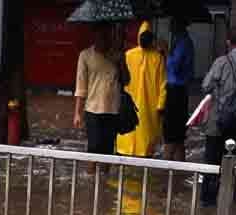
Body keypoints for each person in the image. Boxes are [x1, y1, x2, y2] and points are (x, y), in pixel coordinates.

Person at [117, 22, 167, 158]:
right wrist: (160, 106)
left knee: (135, 139)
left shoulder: (156, 57)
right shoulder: (157, 57)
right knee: (142, 140)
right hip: (143, 107)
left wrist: (160, 106)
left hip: (142, 107)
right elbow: (163, 84)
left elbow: (162, 84)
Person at [74, 23, 122, 161]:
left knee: (108, 150)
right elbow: (81, 86)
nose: (103, 39)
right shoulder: (85, 56)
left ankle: (103, 179)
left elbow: (127, 80)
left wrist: (120, 62)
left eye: (106, 36)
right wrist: (77, 113)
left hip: (112, 109)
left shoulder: (117, 55)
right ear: (94, 36)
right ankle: (91, 179)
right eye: (100, 36)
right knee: (93, 148)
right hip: (92, 109)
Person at [200, 29, 236, 206]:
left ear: (229, 42)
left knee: (212, 164)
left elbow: (205, 86)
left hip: (218, 122)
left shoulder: (222, 62)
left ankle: (209, 202)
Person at [163, 17, 195, 162]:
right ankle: (178, 175)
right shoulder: (181, 41)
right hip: (179, 91)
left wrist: (165, 52)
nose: (170, 24)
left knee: (171, 136)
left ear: (178, 24)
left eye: (173, 21)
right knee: (178, 138)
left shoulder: (182, 43)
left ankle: (166, 171)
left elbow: (174, 67)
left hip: (176, 91)